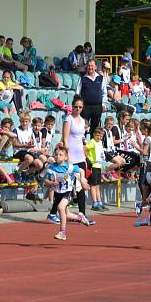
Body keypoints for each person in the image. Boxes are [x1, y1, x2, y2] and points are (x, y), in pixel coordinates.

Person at [55, 95, 95, 225]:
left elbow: (81, 139)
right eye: (76, 106)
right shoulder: (68, 119)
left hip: (80, 156)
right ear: (72, 107)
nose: (78, 109)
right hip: (70, 155)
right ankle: (58, 212)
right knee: (67, 185)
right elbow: (65, 138)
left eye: (80, 107)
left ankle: (82, 213)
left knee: (82, 184)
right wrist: (68, 157)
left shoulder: (83, 121)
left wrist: (84, 153)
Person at [44, 146, 90, 241]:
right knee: (66, 214)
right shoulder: (51, 168)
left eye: (60, 155)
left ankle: (62, 232)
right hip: (58, 193)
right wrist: (52, 183)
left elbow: (81, 170)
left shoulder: (69, 167)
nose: (58, 156)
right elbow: (45, 181)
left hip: (68, 192)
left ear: (65, 157)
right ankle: (80, 218)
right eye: (56, 154)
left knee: (60, 208)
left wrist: (82, 180)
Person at [86, 127, 120, 212]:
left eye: (101, 136)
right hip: (93, 165)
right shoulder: (92, 142)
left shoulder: (100, 142)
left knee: (98, 185)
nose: (99, 137)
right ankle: (94, 203)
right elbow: (85, 149)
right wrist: (88, 159)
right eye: (97, 135)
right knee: (93, 185)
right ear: (94, 134)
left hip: (99, 165)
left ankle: (99, 202)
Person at [76, 60, 107, 137]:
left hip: (97, 107)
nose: (90, 67)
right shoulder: (82, 78)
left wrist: (103, 103)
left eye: (92, 66)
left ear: (95, 67)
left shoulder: (101, 78)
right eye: (89, 66)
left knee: (95, 128)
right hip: (85, 107)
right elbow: (77, 92)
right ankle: (82, 144)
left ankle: (94, 146)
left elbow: (104, 92)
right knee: (83, 127)